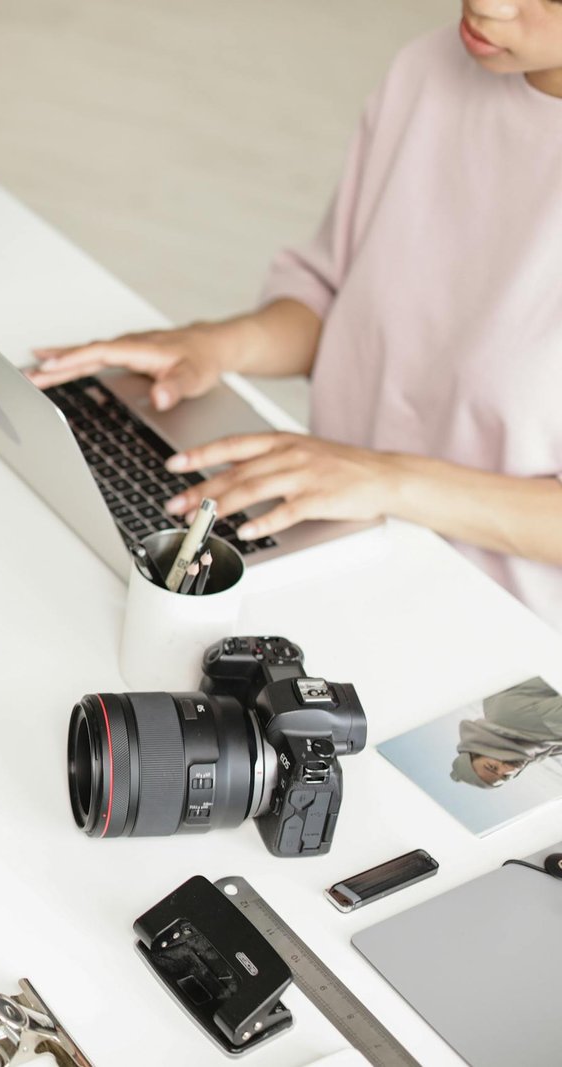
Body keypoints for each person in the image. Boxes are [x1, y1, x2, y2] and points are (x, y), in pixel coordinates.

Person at [28, 1, 562, 631]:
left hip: (502, 640)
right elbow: (339, 295)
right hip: (327, 545)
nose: (487, 4)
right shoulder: (431, 68)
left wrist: (389, 480)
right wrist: (217, 345)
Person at [449, 677, 562, 787]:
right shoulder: (530, 746)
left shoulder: (520, 721)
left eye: (492, 767)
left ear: (478, 751)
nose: (508, 769)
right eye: (504, 777)